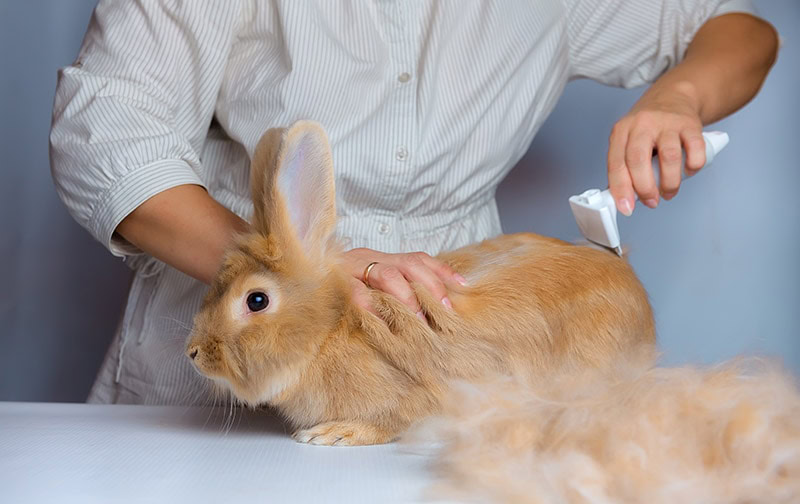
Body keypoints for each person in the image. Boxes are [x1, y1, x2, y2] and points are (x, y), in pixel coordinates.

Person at [50, 1, 778, 405]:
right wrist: (304, 274)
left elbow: (737, 29)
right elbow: (108, 136)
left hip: (448, 366)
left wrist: (680, 95)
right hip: (228, 358)